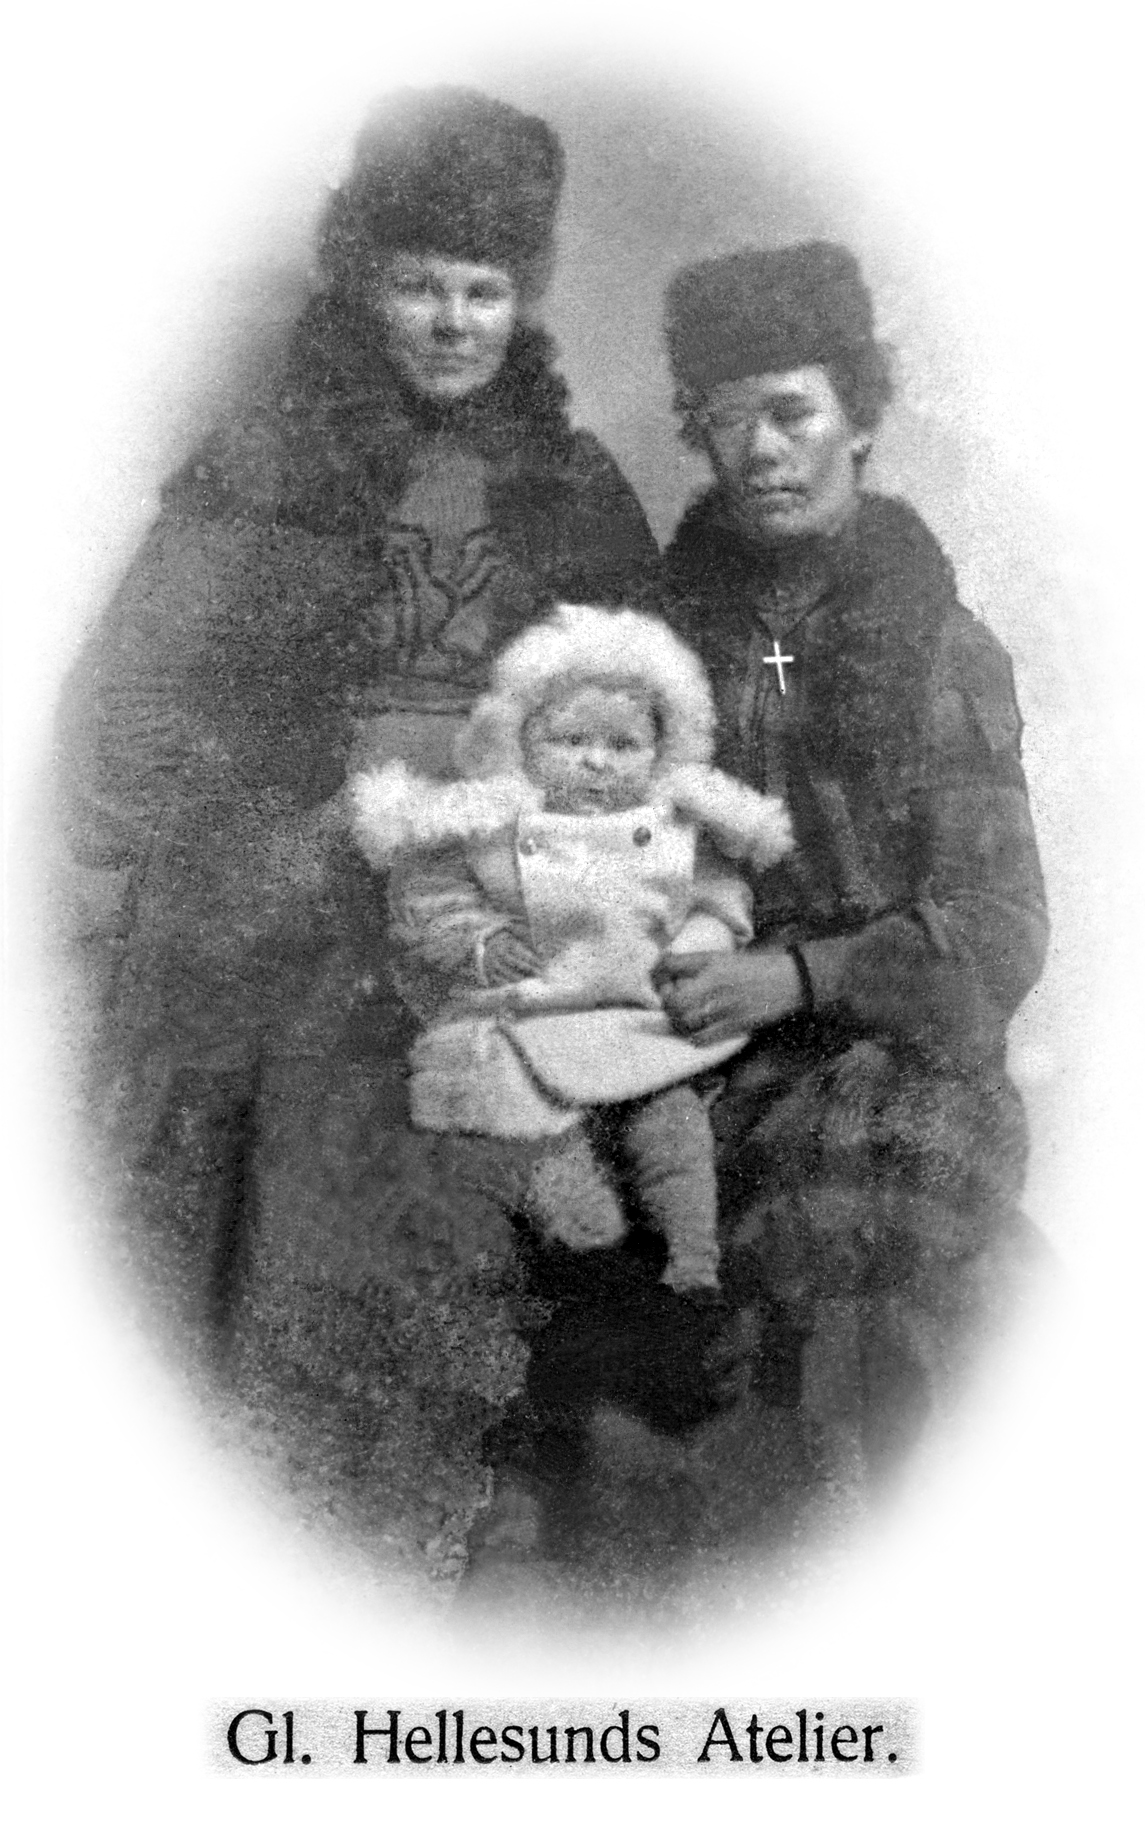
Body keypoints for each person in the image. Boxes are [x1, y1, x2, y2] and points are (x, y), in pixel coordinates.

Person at [56, 88, 660, 1585]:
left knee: (448, 1200)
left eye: (485, 288)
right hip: (272, 905)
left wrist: (526, 847)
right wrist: (287, 825)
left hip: (489, 914)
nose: (452, 321)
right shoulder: (262, 465)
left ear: (523, 297)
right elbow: (124, 719)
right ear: (360, 277)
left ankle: (402, 1541)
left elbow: (650, 723)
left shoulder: (574, 491)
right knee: (249, 1208)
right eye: (417, 282)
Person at [652, 241, 1049, 1501]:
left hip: (898, 1048)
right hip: (691, 1047)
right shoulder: (658, 638)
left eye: (792, 413)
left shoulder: (938, 645)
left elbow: (997, 926)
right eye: (728, 420)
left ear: (859, 420)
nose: (761, 451)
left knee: (863, 1215)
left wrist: (802, 977)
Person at [351, 603, 794, 1292]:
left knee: (671, 1121)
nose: (596, 761)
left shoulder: (677, 827)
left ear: (661, 749)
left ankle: (692, 1250)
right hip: (527, 1010)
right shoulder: (494, 824)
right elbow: (429, 900)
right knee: (515, 1111)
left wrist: (698, 946)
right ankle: (572, 1202)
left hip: (639, 1009)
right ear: (522, 740)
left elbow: (718, 900)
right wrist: (481, 939)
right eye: (571, 740)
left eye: (623, 745)